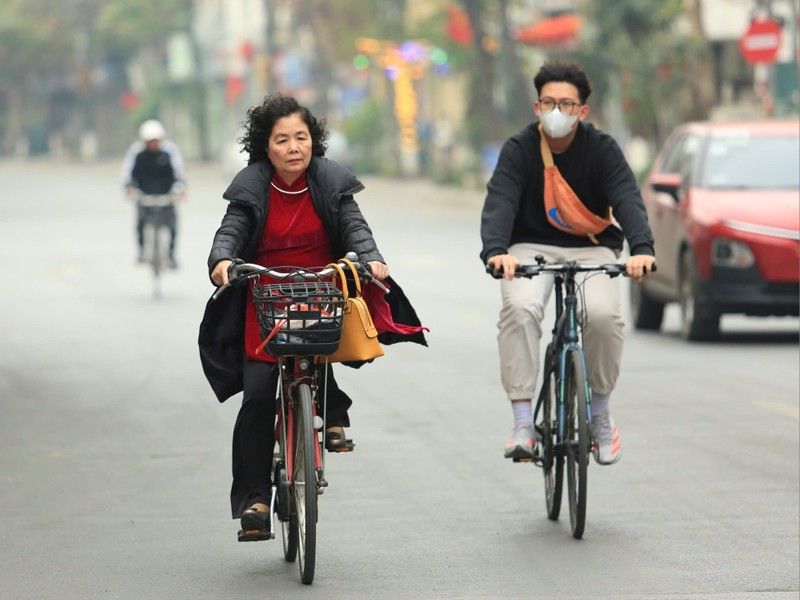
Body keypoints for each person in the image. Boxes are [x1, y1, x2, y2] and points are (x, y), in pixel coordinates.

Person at [198, 94, 427, 541]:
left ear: (313, 141)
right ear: (267, 147)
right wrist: (223, 260)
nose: (292, 147)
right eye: (281, 139)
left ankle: (333, 409)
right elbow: (231, 230)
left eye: (301, 137)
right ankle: (255, 500)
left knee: (318, 354)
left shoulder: (329, 180)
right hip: (265, 298)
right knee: (259, 395)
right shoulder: (251, 186)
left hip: (320, 290)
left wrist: (372, 259)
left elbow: (354, 226)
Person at [480, 60, 656, 465]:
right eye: (548, 102)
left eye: (566, 104)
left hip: (591, 250)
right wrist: (496, 251)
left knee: (604, 316)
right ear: (536, 106)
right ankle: (523, 423)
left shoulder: (602, 149)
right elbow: (501, 200)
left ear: (583, 111)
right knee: (520, 309)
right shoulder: (519, 149)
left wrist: (642, 248)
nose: (557, 111)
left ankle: (601, 417)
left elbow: (627, 198)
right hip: (527, 249)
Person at [120, 119, 186, 268]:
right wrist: (129, 187)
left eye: (155, 140)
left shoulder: (169, 152)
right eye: (149, 141)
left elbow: (178, 171)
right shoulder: (138, 154)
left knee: (173, 224)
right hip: (145, 197)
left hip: (165, 197)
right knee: (140, 223)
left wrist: (181, 188)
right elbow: (129, 173)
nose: (153, 144)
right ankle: (142, 252)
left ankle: (170, 255)